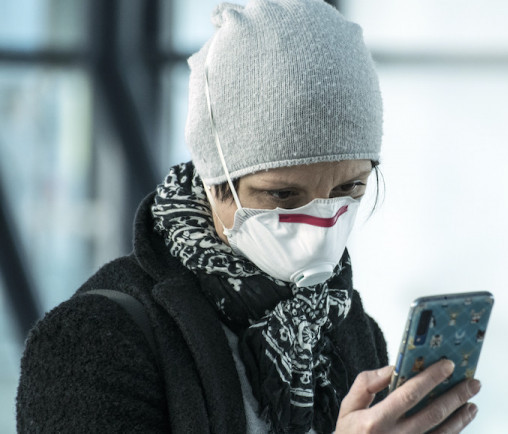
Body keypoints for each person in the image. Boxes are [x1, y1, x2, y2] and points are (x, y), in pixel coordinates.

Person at [15, 1, 481, 432]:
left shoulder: (350, 330)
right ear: (213, 179)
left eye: (348, 189)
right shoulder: (90, 339)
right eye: (283, 195)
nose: (320, 226)